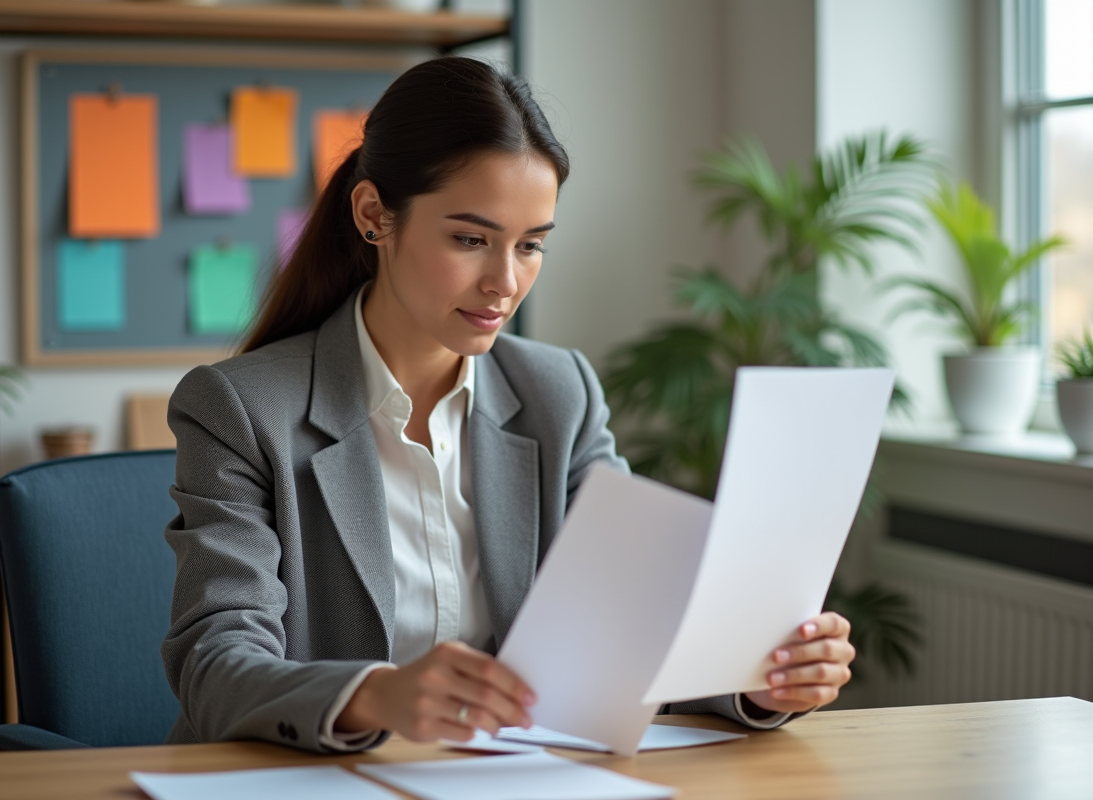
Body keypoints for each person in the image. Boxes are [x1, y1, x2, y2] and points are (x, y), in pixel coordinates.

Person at [161, 56, 856, 753]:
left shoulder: (560, 394)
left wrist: (754, 679)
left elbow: (628, 623)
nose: (504, 282)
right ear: (374, 215)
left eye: (530, 246)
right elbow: (214, 665)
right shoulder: (241, 410)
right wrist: (376, 695)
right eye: (470, 240)